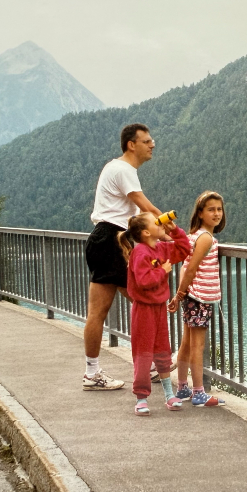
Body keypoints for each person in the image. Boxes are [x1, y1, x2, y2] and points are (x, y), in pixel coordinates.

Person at [83, 123, 163, 391]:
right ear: (132, 144)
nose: (152, 145)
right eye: (147, 141)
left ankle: (143, 365)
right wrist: (177, 238)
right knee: (142, 300)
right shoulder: (123, 170)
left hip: (107, 239)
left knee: (135, 301)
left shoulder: (117, 168)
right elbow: (147, 210)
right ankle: (98, 373)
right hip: (111, 240)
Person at [117, 212, 191, 415]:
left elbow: (184, 249)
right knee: (143, 353)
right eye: (156, 223)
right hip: (143, 310)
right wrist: (162, 271)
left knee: (162, 351)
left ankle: (169, 394)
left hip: (159, 308)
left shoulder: (161, 248)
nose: (161, 224)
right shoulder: (140, 252)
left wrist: (174, 229)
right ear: (146, 232)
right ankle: (141, 397)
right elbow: (143, 281)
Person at [168, 191, 227, 407]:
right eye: (211, 209)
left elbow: (186, 265)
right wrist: (179, 294)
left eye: (219, 209)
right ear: (200, 213)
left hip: (192, 296)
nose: (216, 213)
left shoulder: (194, 236)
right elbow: (191, 268)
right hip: (199, 297)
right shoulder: (205, 238)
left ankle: (182, 387)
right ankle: (199, 392)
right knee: (197, 346)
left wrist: (182, 294)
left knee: (186, 343)